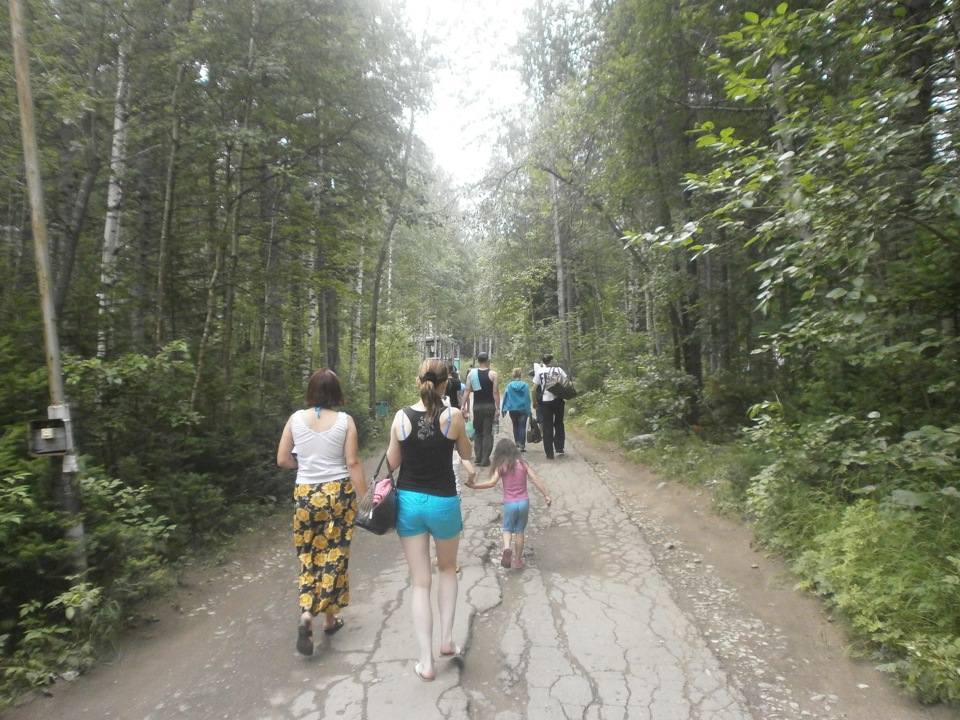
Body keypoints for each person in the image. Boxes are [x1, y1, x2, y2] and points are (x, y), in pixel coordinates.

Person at [386, 358, 476, 681]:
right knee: (447, 569)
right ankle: (447, 640)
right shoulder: (453, 417)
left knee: (420, 583)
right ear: (446, 383)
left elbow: (392, 462)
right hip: (444, 503)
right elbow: (465, 454)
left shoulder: (400, 418)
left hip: (409, 504)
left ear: (417, 381)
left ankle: (426, 663)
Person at [276, 369, 367, 657]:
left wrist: (305, 467)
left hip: (305, 495)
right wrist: (366, 498)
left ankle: (313, 615)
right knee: (335, 554)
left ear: (311, 390)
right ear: (336, 391)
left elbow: (282, 459)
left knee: (309, 556)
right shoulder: (345, 421)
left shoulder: (294, 420)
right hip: (338, 493)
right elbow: (352, 463)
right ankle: (324, 614)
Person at [465, 438, 551, 570]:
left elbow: (491, 483)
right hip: (524, 502)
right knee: (520, 531)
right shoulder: (523, 464)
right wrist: (546, 495)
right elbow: (535, 479)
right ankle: (517, 561)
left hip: (510, 503)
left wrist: (474, 486)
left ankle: (506, 548)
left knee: (507, 529)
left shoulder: (501, 467)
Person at [461, 352, 499, 466]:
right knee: (487, 433)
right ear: (488, 360)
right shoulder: (493, 374)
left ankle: (478, 457)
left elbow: (467, 391)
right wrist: (498, 407)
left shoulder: (471, 374)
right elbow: (495, 392)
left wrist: (463, 405)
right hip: (489, 406)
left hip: (477, 407)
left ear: (478, 361)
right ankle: (485, 459)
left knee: (478, 432)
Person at [533, 353, 568, 460]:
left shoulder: (540, 371)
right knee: (559, 423)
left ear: (543, 361)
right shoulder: (558, 370)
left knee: (547, 426)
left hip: (545, 401)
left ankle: (549, 453)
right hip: (558, 400)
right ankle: (559, 447)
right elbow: (566, 382)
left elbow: (534, 388)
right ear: (552, 360)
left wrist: (534, 401)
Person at [501, 367, 532, 451]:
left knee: (515, 425)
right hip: (523, 409)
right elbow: (527, 398)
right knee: (522, 426)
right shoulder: (525, 385)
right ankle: (522, 445)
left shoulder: (509, 385)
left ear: (513, 375)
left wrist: (504, 409)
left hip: (512, 409)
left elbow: (506, 397)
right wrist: (529, 410)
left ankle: (517, 442)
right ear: (520, 374)